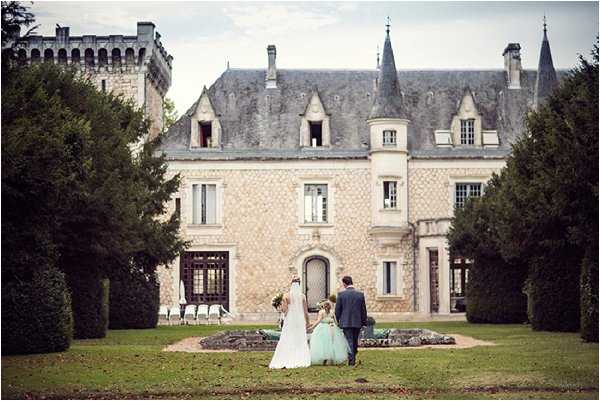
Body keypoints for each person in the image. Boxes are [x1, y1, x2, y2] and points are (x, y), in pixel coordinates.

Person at [268, 275, 311, 369]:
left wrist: (279, 308)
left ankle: (286, 357)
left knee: (288, 337)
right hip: (299, 320)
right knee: (299, 338)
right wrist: (308, 322)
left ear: (291, 284)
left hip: (290, 320)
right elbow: (305, 312)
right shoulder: (302, 296)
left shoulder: (286, 296)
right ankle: (300, 358)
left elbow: (285, 311)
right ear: (299, 284)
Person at [334, 275, 367, 366]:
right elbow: (363, 310)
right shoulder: (360, 294)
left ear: (344, 284)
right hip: (357, 322)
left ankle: (351, 360)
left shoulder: (341, 294)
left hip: (345, 322)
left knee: (349, 340)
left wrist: (336, 321)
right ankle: (353, 356)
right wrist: (364, 322)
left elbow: (338, 310)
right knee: (354, 340)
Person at [308, 299, 350, 365]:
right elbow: (336, 322)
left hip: (323, 328)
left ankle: (325, 358)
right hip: (332, 328)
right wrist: (338, 328)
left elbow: (318, 321)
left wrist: (312, 327)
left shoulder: (321, 312)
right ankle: (331, 359)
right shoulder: (332, 312)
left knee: (323, 344)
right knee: (332, 343)